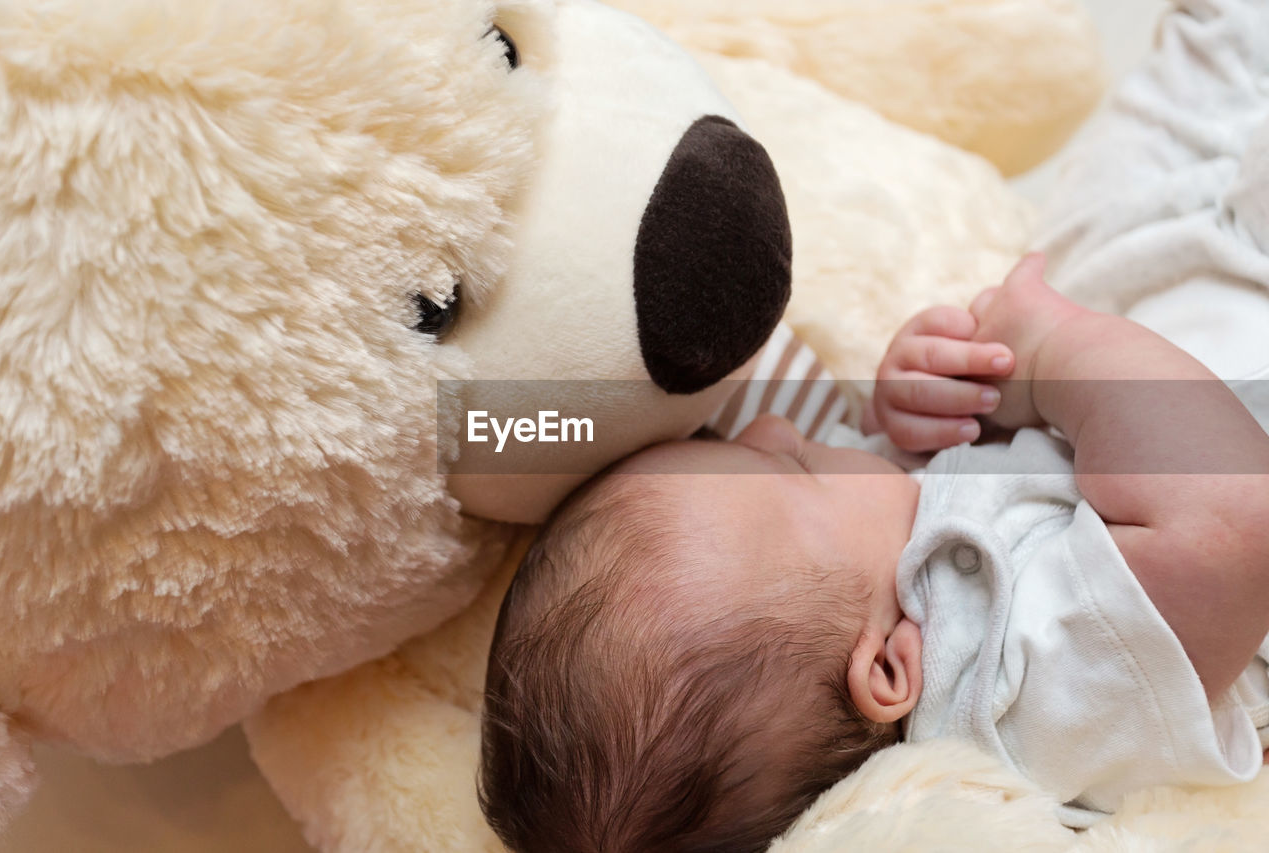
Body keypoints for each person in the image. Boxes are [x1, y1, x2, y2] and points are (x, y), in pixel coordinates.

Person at [477, 252, 1269, 853]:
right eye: (795, 466)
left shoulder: (869, 569)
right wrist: (1057, 352)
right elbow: (1228, 521)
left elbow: (781, 391)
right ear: (887, 670)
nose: (776, 430)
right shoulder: (1006, 697)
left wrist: (924, 403)